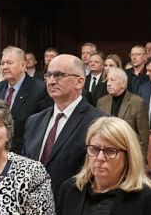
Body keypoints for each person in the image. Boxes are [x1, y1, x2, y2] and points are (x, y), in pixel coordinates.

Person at [19, 55, 100, 192]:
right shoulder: (34, 121)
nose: (51, 81)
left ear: (79, 82)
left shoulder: (97, 122)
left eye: (58, 75)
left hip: (74, 206)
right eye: (48, 75)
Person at [95, 66, 149, 151]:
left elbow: (143, 138)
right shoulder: (101, 102)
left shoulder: (138, 103)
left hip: (128, 152)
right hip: (105, 151)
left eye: (112, 80)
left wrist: (140, 161)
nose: (108, 84)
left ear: (123, 83)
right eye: (108, 80)